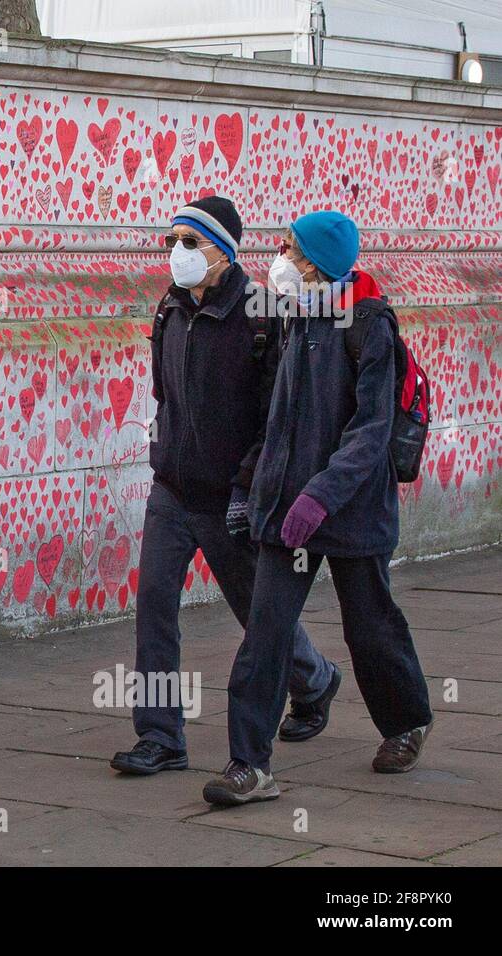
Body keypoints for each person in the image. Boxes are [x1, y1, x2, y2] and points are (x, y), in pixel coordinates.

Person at [204, 210, 434, 806]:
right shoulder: (291, 321)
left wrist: (320, 495)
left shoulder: (370, 325)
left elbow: (370, 431)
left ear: (320, 263)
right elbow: (276, 420)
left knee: (371, 627)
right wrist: (249, 489)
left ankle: (406, 723)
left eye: (291, 250)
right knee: (266, 634)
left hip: (353, 511)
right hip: (288, 512)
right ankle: (249, 766)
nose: (281, 259)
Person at [110, 197, 339, 776]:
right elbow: (166, 394)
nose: (177, 254)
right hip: (172, 488)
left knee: (254, 611)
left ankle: (313, 680)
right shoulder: (170, 309)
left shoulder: (263, 315)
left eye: (190, 243)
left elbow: (274, 416)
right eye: (172, 243)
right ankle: (161, 736)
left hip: (230, 494)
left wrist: (246, 486)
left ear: (223, 251)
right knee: (155, 604)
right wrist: (164, 452)